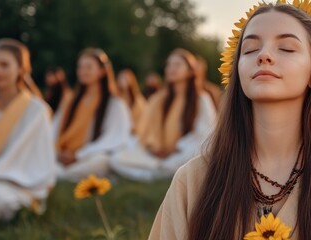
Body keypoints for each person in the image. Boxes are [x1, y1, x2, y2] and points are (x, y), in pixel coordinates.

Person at [149, 1, 311, 239]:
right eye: (250, 49)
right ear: (237, 72)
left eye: (286, 48)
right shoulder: (194, 180)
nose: (264, 55)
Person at [0, 39, 55, 224]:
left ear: (21, 69)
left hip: (11, 183)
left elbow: (36, 162)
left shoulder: (36, 110)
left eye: (4, 65)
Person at [110, 49, 216, 181]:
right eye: (169, 65)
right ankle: (156, 172)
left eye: (177, 65)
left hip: (181, 153)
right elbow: (146, 130)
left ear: (190, 71)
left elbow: (204, 135)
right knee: (116, 158)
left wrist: (176, 149)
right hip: (156, 155)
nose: (171, 68)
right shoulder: (158, 99)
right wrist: (152, 147)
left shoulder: (201, 98)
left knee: (198, 151)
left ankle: (155, 171)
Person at [53, 48, 131, 182]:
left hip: (88, 156)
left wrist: (79, 155)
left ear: (102, 71)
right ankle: (61, 173)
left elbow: (114, 138)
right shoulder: (69, 101)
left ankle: (61, 175)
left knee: (103, 161)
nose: (83, 71)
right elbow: (53, 130)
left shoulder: (114, 103)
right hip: (61, 155)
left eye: (88, 67)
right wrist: (59, 153)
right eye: (80, 67)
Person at [116, 68, 147, 135]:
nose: (123, 81)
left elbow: (144, 116)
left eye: (125, 78)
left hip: (134, 133)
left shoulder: (138, 99)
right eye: (121, 78)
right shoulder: (116, 98)